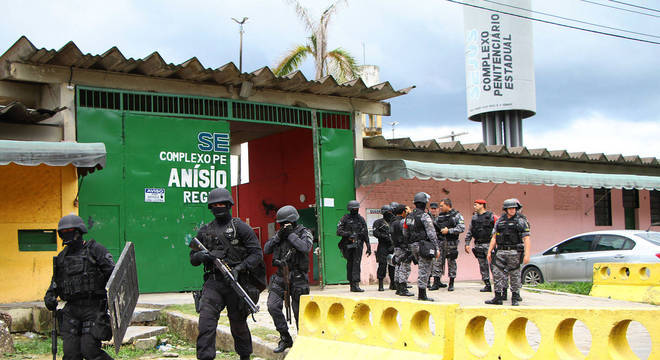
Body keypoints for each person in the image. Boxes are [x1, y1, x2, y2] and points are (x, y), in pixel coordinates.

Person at [190, 188, 266, 360]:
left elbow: (257, 254)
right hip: (213, 283)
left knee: (238, 324)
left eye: (222, 204)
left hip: (235, 282)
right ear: (210, 207)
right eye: (215, 204)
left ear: (229, 205)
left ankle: (245, 356)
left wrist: (239, 268)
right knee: (206, 323)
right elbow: (193, 259)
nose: (219, 207)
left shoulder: (241, 228)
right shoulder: (205, 231)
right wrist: (201, 256)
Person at [44, 214, 115, 360]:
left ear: (79, 231)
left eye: (69, 231)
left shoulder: (96, 250)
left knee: (89, 350)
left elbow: (113, 275)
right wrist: (49, 297)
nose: (66, 235)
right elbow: (55, 283)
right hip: (72, 309)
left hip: (93, 307)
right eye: (63, 232)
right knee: (71, 354)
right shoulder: (62, 257)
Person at [264, 205, 313, 353]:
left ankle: (303, 342)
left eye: (286, 223)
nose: (283, 226)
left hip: (298, 277)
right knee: (273, 306)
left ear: (293, 221)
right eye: (281, 223)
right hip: (280, 276)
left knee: (300, 312)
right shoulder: (279, 235)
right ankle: (285, 338)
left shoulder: (305, 232)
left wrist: (291, 235)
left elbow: (305, 248)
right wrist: (279, 236)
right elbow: (266, 249)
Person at [485, 198, 531, 306]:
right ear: (506, 209)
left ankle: (515, 297)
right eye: (510, 208)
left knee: (515, 274)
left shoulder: (521, 221)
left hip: (515, 252)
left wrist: (527, 254)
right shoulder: (500, 221)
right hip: (500, 251)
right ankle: (498, 297)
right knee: (496, 273)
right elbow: (494, 237)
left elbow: (527, 238)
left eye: (514, 208)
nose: (512, 210)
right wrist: (489, 251)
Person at [403, 192, 440, 301]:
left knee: (421, 267)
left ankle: (422, 292)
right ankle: (422, 294)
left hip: (413, 245)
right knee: (424, 269)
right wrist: (436, 248)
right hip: (424, 245)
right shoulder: (425, 216)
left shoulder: (409, 216)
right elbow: (431, 233)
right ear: (425, 203)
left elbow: (405, 232)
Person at [464, 199, 497, 292]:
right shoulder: (474, 218)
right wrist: (467, 243)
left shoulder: (491, 216)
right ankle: (487, 285)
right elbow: (470, 231)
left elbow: (497, 230)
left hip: (489, 244)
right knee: (482, 266)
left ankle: (498, 286)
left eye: (476, 205)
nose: (475, 206)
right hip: (478, 244)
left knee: (494, 266)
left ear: (482, 205)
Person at [336, 200, 370, 292]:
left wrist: (368, 246)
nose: (355, 210)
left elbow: (365, 233)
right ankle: (352, 283)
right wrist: (348, 234)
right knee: (350, 263)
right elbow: (338, 231)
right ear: (350, 209)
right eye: (354, 209)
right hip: (348, 245)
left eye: (357, 208)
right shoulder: (345, 219)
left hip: (358, 245)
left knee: (356, 263)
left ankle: (356, 284)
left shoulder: (361, 219)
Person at [435, 198, 465, 292]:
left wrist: (449, 231)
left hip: (451, 243)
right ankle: (436, 282)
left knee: (451, 263)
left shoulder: (456, 215)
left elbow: (461, 228)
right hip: (440, 243)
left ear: (448, 205)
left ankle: (451, 283)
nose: (440, 208)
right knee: (437, 262)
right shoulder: (439, 217)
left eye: (442, 206)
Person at [391, 203, 414, 297]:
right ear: (403, 212)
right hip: (403, 247)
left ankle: (398, 286)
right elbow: (407, 233)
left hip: (396, 247)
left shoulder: (393, 222)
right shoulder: (402, 222)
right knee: (405, 267)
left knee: (398, 266)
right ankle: (403, 288)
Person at [373, 205, 395, 291]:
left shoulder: (394, 222)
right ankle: (380, 284)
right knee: (382, 265)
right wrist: (384, 236)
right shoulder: (378, 222)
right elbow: (375, 233)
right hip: (382, 245)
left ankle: (393, 283)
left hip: (392, 246)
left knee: (392, 265)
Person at [428, 202, 447, 290]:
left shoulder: (441, 218)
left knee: (439, 262)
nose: (433, 210)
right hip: (430, 243)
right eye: (432, 208)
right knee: (430, 262)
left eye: (435, 209)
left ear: (438, 209)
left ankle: (438, 281)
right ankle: (428, 281)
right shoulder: (427, 218)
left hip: (440, 242)